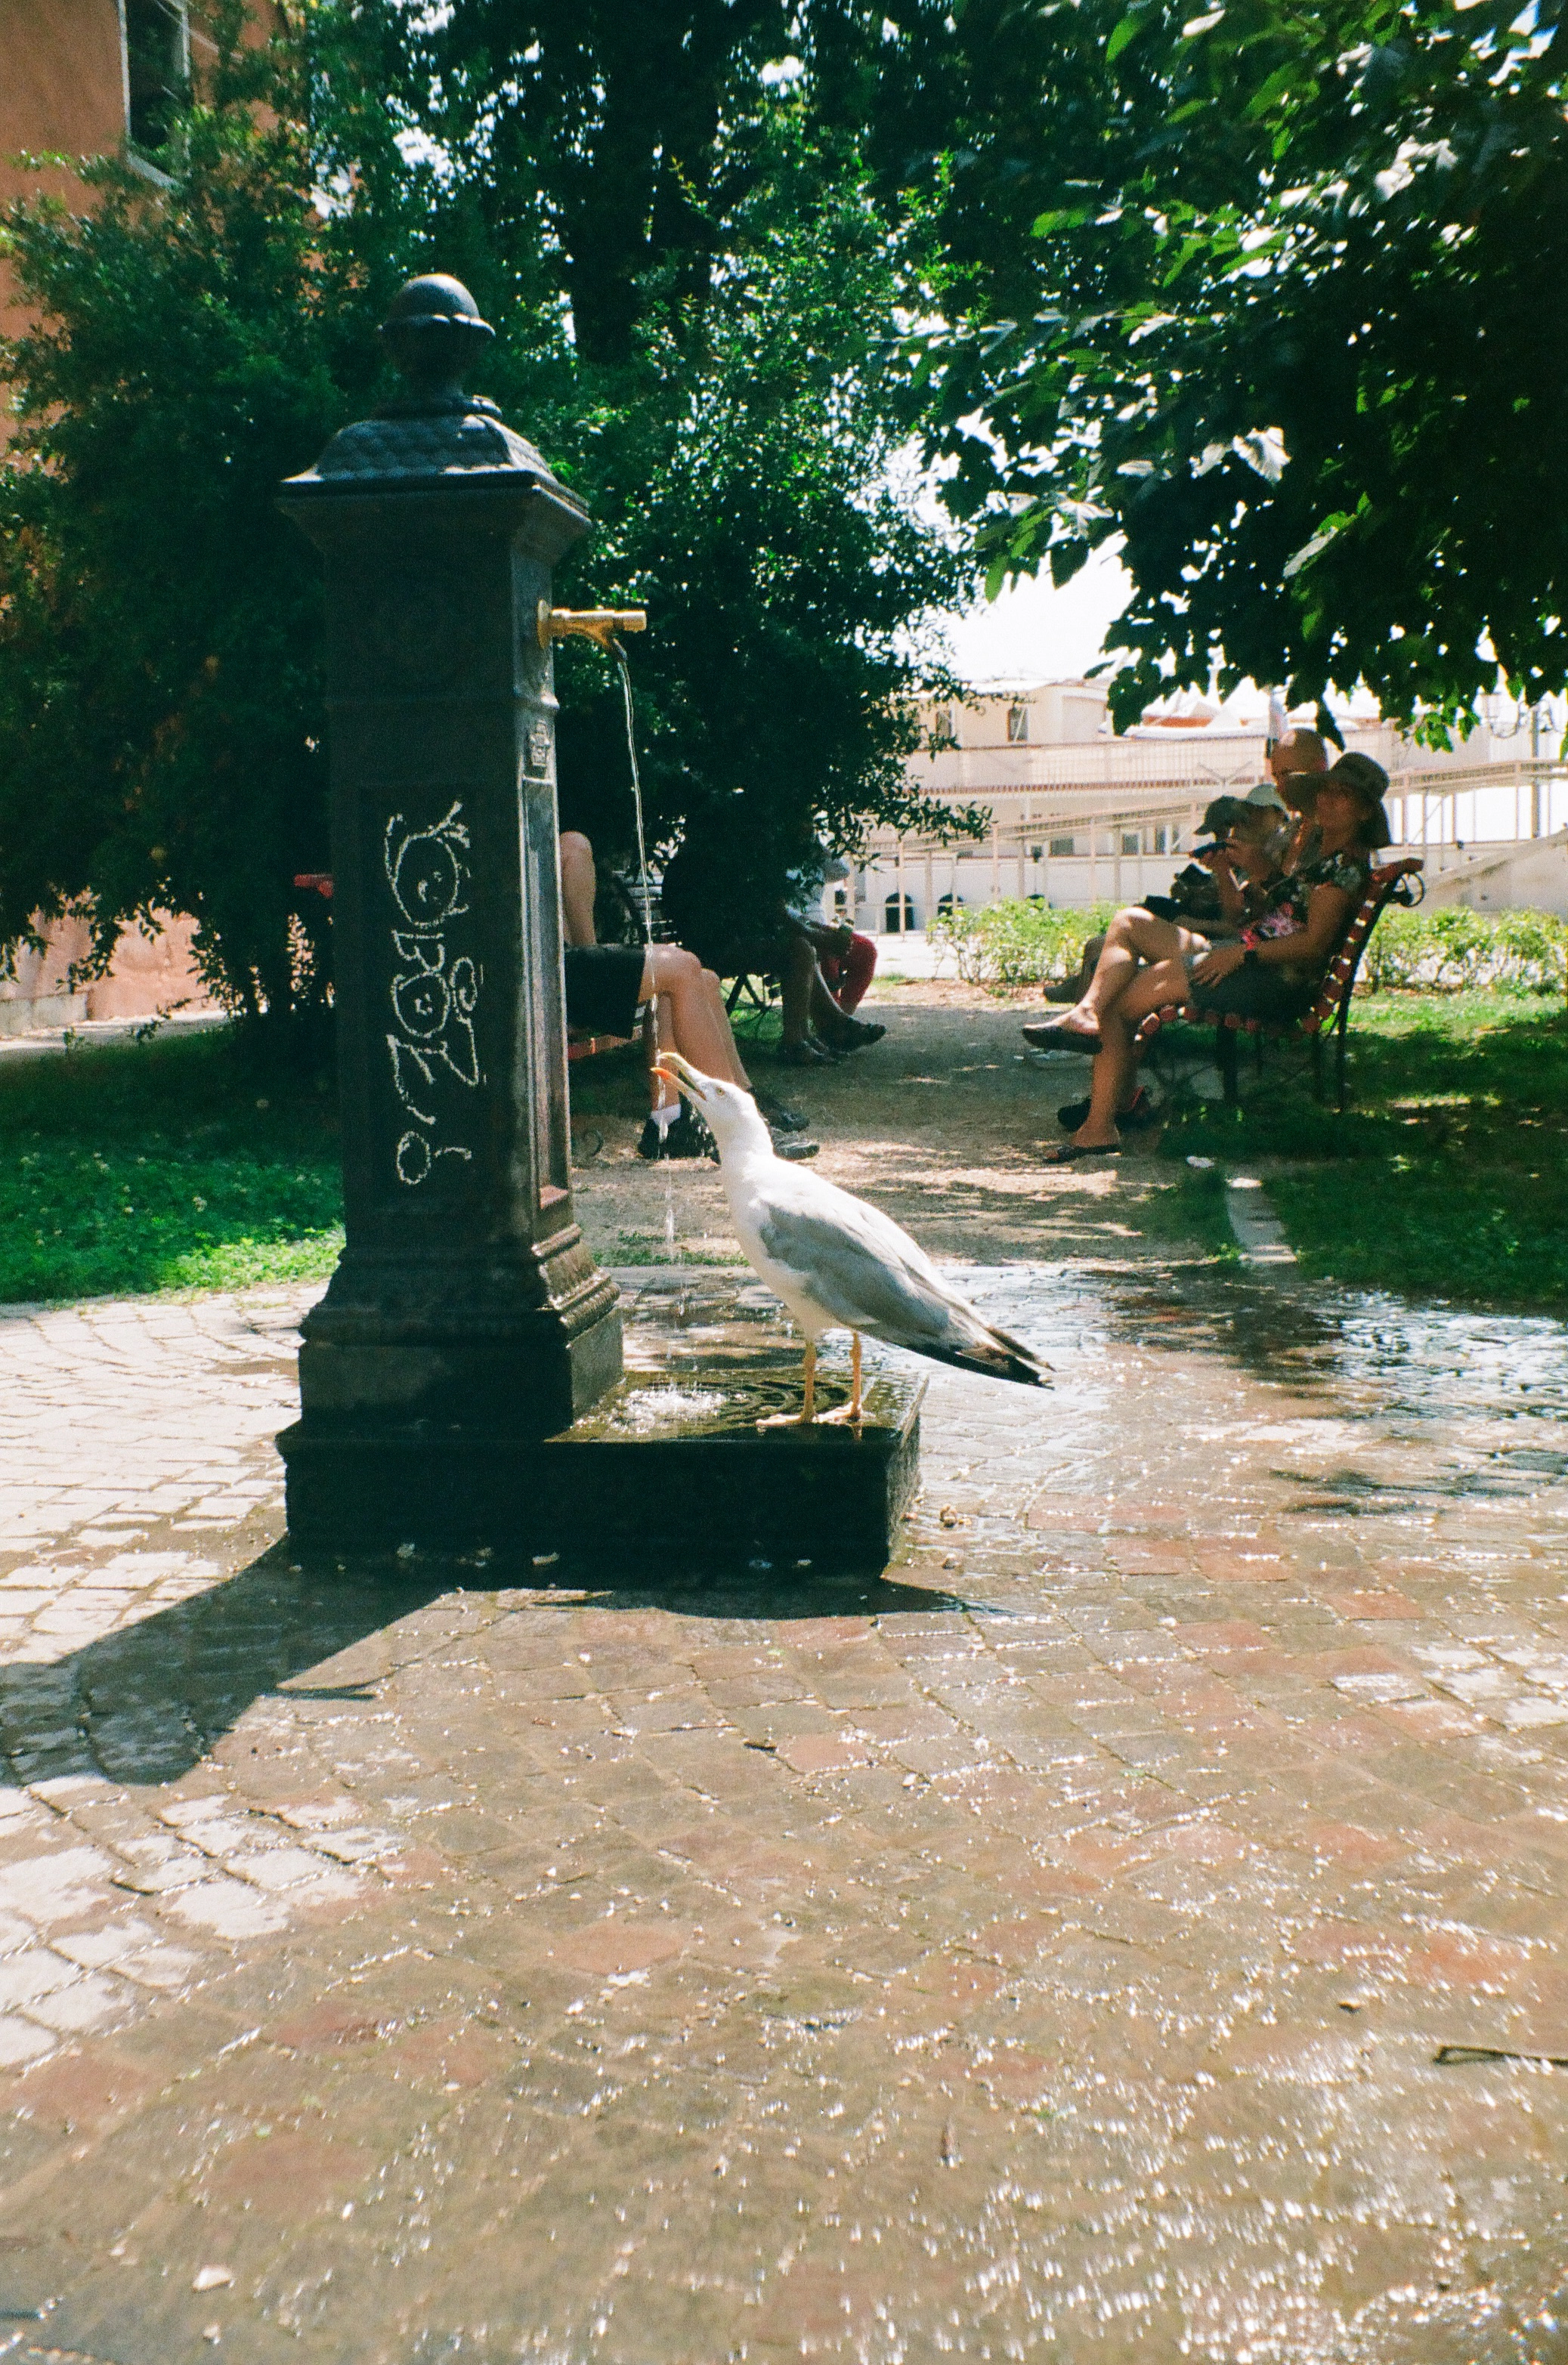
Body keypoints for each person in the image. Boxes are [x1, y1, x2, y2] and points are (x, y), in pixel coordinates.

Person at [1028, 756, 1390, 1163]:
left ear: (1364, 812)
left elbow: (1313, 946)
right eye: (1326, 789)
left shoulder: (1343, 867)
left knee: (1123, 1000)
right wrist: (1255, 878)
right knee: (1129, 922)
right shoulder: (1322, 859)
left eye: (1343, 795)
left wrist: (1243, 952)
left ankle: (1098, 1127)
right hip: (1245, 958)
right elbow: (1281, 918)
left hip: (1268, 978)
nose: (1327, 798)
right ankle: (1087, 1014)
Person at [558, 830, 817, 1162]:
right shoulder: (563, 848)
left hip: (569, 971)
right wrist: (593, 955)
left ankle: (667, 1123)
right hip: (559, 977)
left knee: (701, 979)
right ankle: (739, 1128)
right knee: (681, 968)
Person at [660, 802, 885, 1067]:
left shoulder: (712, 864)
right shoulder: (694, 868)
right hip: (712, 950)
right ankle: (799, 1040)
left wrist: (815, 932)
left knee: (801, 947)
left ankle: (819, 1030)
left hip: (727, 942)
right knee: (798, 950)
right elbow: (745, 917)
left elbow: (765, 911)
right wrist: (814, 934)